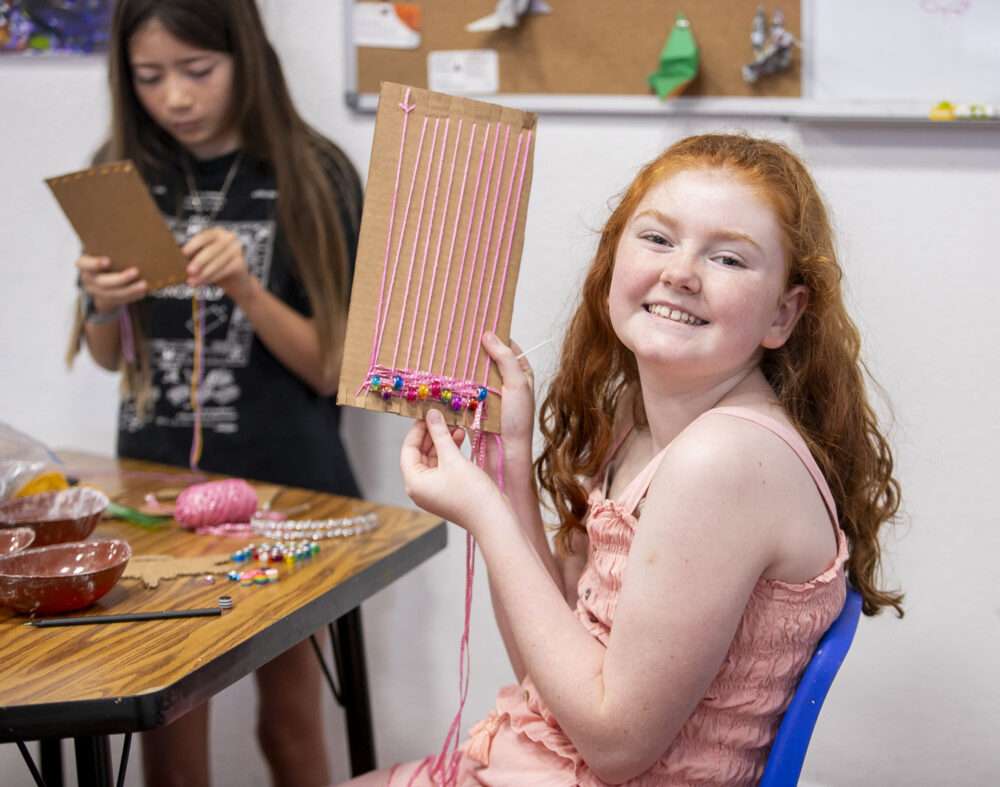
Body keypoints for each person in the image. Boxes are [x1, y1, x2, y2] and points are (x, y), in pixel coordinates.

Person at [344, 133, 903, 786]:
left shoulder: (723, 459)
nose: (680, 272)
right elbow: (545, 670)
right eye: (658, 239)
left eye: (727, 257)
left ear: (783, 313)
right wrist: (507, 460)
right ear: (613, 261)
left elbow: (614, 744)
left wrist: (486, 516)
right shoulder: (637, 426)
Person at [68, 1, 361, 785]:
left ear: (246, 57)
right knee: (169, 718)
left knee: (293, 715)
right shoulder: (120, 172)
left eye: (198, 71)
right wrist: (99, 297)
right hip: (155, 491)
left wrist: (244, 287)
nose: (176, 99)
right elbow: (104, 354)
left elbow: (333, 369)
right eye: (149, 77)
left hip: (292, 492)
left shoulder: (311, 171)